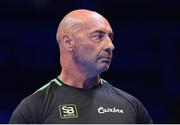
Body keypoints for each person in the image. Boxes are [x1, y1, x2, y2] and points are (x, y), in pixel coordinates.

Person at [9, 9, 153, 124]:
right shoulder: (33, 108)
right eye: (98, 36)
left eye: (111, 37)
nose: (110, 45)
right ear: (68, 42)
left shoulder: (131, 106)